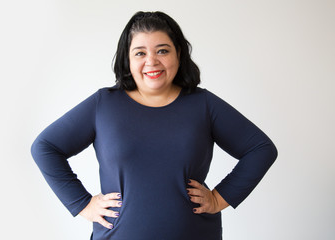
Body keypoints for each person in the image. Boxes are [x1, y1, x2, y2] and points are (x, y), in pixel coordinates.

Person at [31, 11, 277, 240]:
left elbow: (260, 149)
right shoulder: (103, 105)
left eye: (162, 51)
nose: (152, 61)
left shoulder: (203, 104)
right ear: (128, 58)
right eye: (140, 53)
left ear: (178, 54)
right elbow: (45, 147)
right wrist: (81, 204)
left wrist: (219, 198)